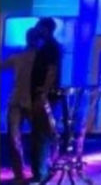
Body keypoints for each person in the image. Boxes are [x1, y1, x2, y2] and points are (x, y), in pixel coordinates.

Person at [2, 28, 41, 182]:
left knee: (37, 137)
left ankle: (38, 169)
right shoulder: (19, 56)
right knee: (14, 138)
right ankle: (20, 173)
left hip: (31, 102)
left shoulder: (40, 58)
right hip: (17, 101)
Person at [30, 18, 62, 182]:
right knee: (41, 133)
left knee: (42, 134)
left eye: (39, 26)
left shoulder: (50, 47)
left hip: (45, 97)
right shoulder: (46, 46)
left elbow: (51, 71)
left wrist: (43, 93)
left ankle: (41, 174)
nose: (37, 29)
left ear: (46, 29)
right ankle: (43, 171)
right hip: (43, 95)